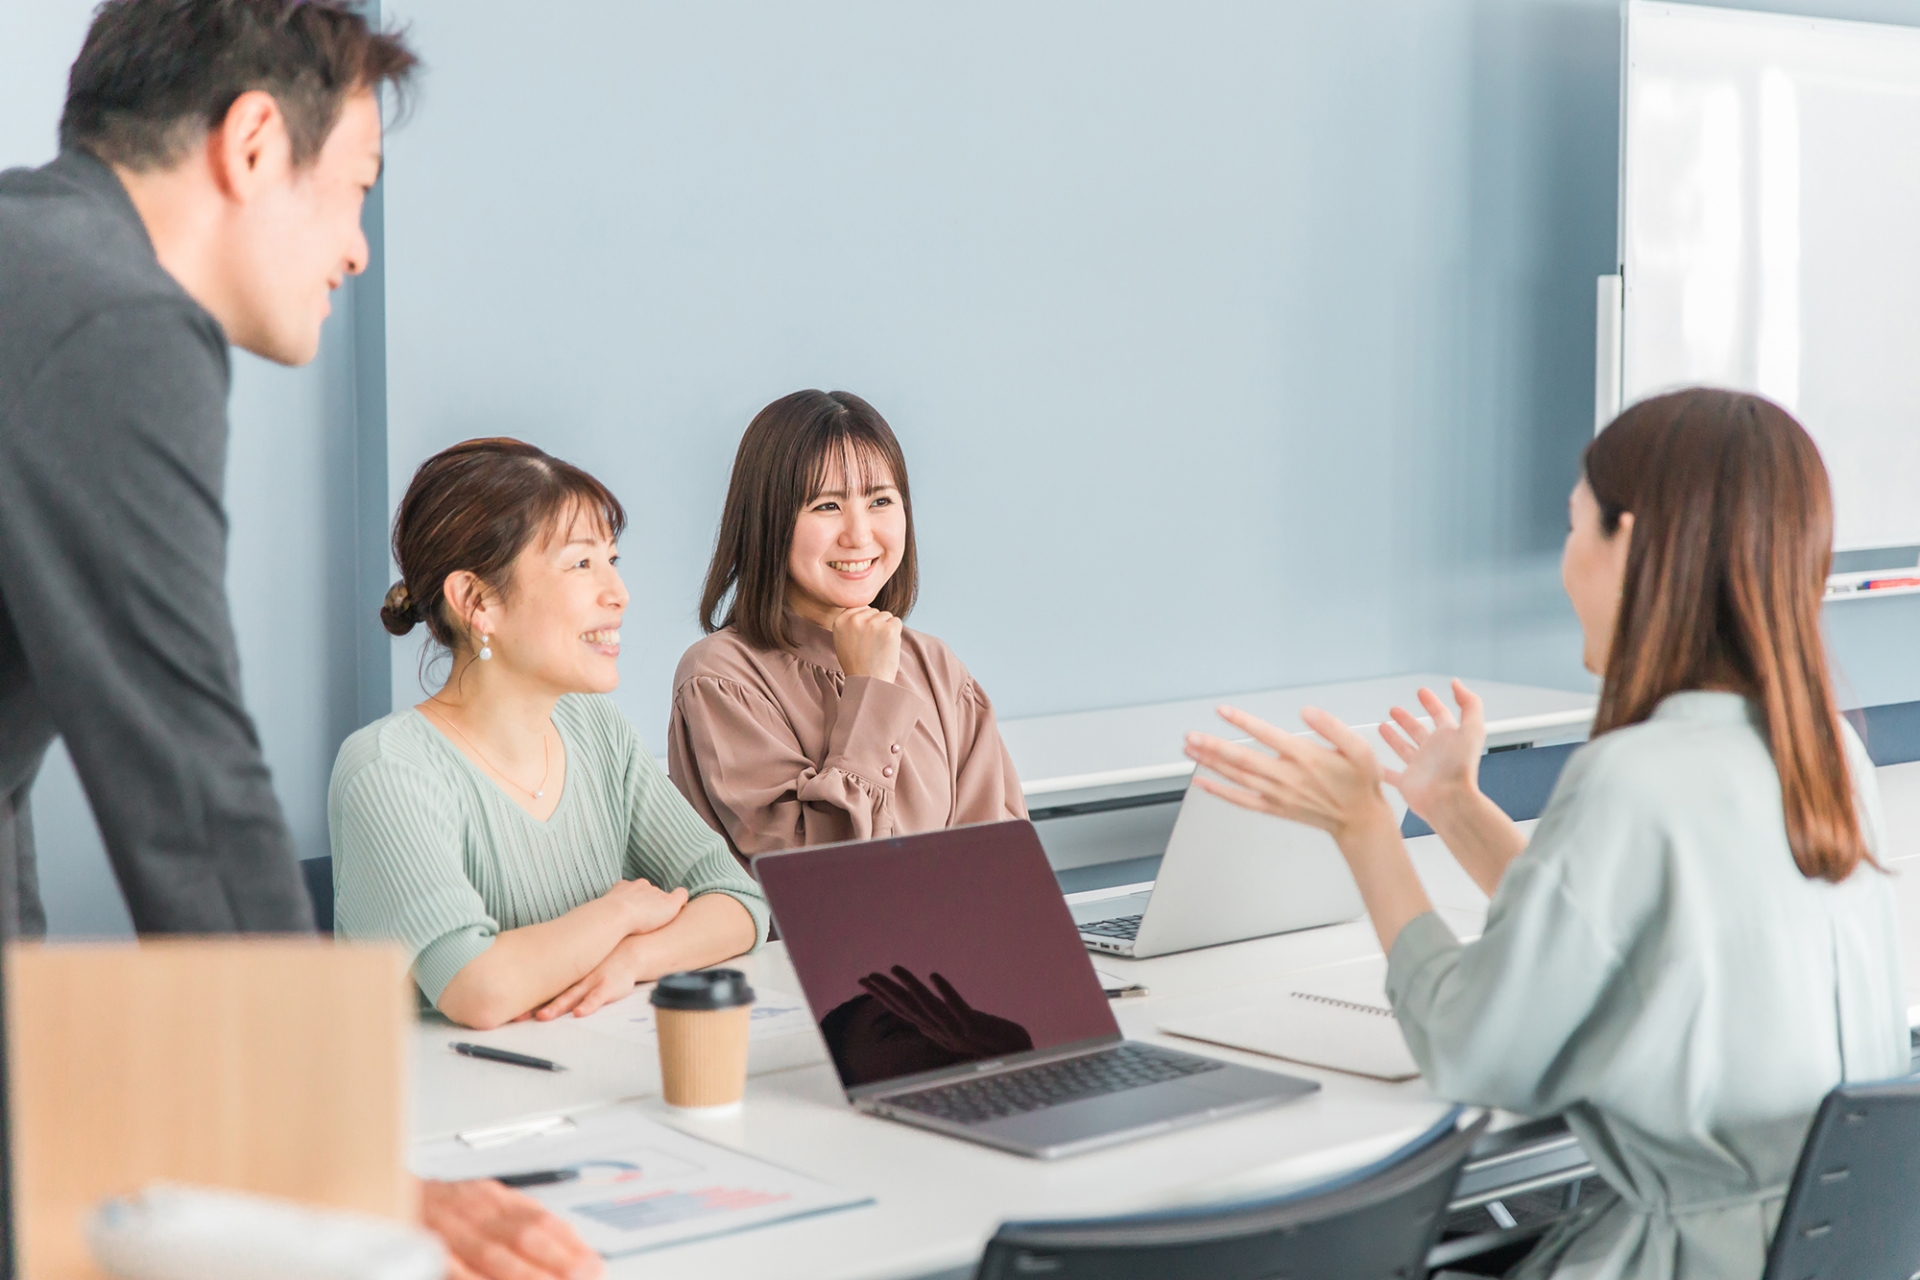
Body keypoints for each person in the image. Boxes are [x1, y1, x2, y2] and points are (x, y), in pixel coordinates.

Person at [0, 5, 602, 1276]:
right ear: (256, 141)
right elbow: (187, 784)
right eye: (358, 190)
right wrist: (340, 1172)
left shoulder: (31, 262)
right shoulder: (113, 317)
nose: (359, 251)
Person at [1184, 388, 1908, 1280]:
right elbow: (1623, 937)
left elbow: (1470, 1047)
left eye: (1575, 530)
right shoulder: (1825, 755)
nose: (1565, 564)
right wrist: (1452, 805)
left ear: (1632, 546)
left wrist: (1363, 826)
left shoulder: (1635, 777)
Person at [332, 438, 768, 1029]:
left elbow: (740, 903)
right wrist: (616, 913)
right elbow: (477, 988)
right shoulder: (386, 768)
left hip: (578, 1087)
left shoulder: (596, 732)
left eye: (612, 561)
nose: (618, 594)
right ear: (476, 600)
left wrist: (632, 957)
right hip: (439, 1111)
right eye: (581, 563)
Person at [669, 389, 1026, 861]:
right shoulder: (721, 679)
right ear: (768, 522)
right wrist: (871, 690)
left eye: (880, 500)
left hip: (948, 937)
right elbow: (825, 877)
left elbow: (1000, 862)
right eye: (826, 506)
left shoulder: (937, 667)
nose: (859, 535)